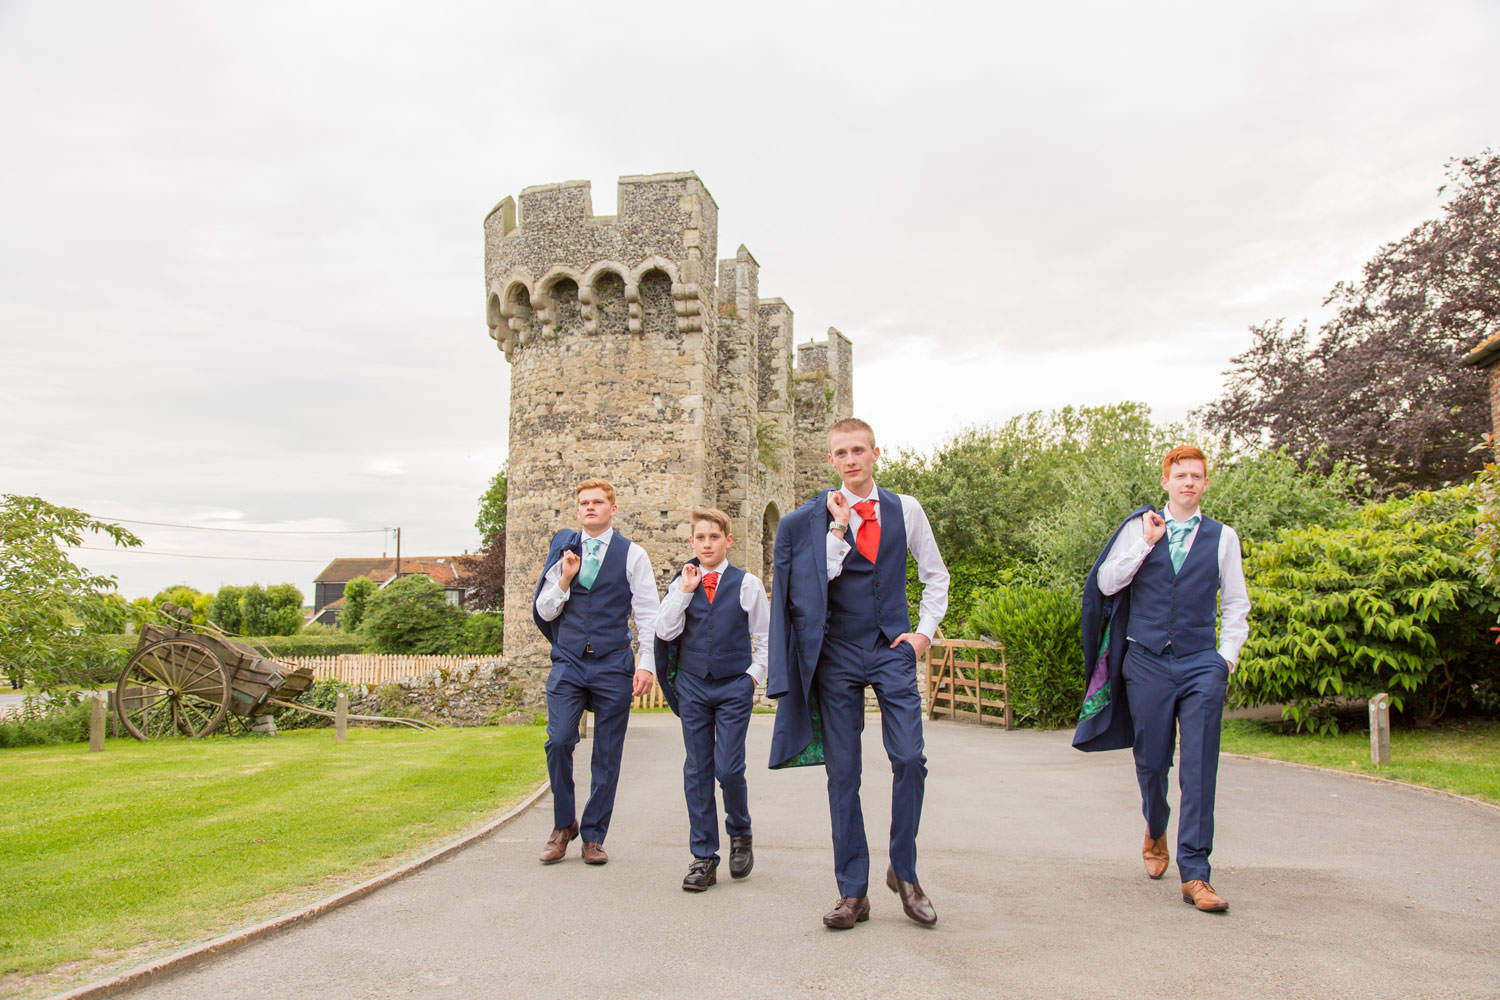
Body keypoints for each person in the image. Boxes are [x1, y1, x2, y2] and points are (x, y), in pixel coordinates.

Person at [767, 417, 949, 929]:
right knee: (843, 774)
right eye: (841, 453)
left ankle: (905, 872)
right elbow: (810, 585)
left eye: (858, 451)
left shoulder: (905, 509)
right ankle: (853, 893)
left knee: (910, 759)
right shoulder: (812, 519)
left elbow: (936, 575)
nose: (851, 460)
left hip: (892, 648)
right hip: (836, 654)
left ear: (874, 453)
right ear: (832, 461)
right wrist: (839, 529)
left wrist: (924, 634)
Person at [1074, 445, 1250, 913]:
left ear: (1206, 483)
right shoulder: (1140, 528)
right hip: (1147, 662)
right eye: (1180, 475)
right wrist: (1146, 544)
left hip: (1199, 665)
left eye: (1196, 475)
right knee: (1152, 763)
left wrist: (1224, 660)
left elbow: (1235, 605)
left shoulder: (1223, 537)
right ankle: (1155, 825)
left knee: (1198, 768)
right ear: (1166, 483)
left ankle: (1196, 873)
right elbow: (1107, 583)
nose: (1188, 482)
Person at [532, 478, 659, 866]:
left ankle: (594, 835)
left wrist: (647, 663)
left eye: (598, 502)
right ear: (577, 510)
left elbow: (648, 612)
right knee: (558, 741)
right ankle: (562, 825)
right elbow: (545, 610)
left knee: (607, 753)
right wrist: (566, 579)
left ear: (613, 509)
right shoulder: (564, 552)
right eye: (584, 503)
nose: (590, 508)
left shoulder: (633, 555)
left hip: (613, 662)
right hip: (569, 661)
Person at [653, 508, 770, 892]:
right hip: (693, 686)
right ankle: (703, 856)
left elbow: (765, 636)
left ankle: (740, 832)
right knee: (697, 769)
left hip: (734, 686)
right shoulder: (681, 583)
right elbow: (666, 631)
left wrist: (752, 678)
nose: (706, 544)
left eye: (714, 537)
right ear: (692, 542)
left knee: (728, 768)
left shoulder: (747, 583)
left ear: (728, 541)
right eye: (700, 538)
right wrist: (684, 593)